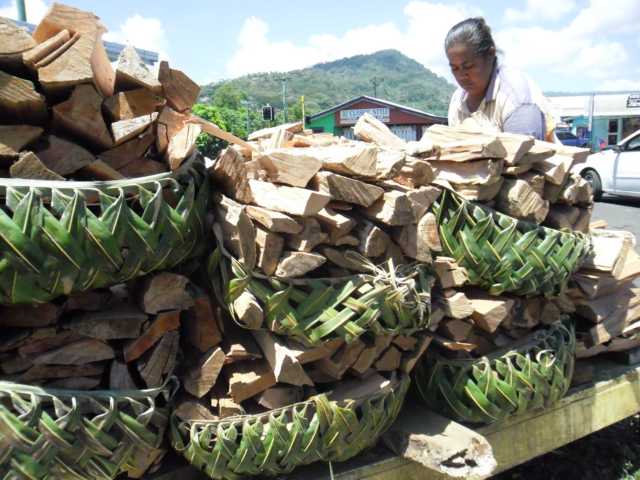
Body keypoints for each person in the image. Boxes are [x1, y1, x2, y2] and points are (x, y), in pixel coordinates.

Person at [445, 17, 555, 141]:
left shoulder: (515, 99)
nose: (461, 76)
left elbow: (524, 157)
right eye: (454, 68)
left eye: (468, 66)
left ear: (490, 54)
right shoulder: (457, 101)